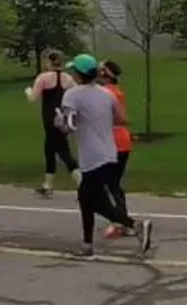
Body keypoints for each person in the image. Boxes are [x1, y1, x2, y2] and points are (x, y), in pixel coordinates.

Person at [57, 54, 151, 255]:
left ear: (79, 74)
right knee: (87, 199)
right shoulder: (107, 94)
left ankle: (134, 225)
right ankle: (87, 244)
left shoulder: (72, 95)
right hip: (110, 152)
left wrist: (61, 124)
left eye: (74, 70)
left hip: (92, 157)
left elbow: (70, 126)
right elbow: (121, 119)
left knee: (91, 201)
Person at [28, 51, 77, 198]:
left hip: (50, 119)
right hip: (61, 117)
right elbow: (75, 94)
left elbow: (32, 98)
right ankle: (47, 185)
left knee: (64, 152)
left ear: (49, 61)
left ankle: (84, 186)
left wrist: (28, 90)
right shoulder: (68, 78)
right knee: (49, 149)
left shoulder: (43, 78)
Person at [97, 60, 133, 224]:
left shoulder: (105, 93)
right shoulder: (114, 91)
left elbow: (117, 118)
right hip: (121, 141)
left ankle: (122, 220)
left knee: (109, 184)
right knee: (113, 184)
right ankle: (121, 218)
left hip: (113, 141)